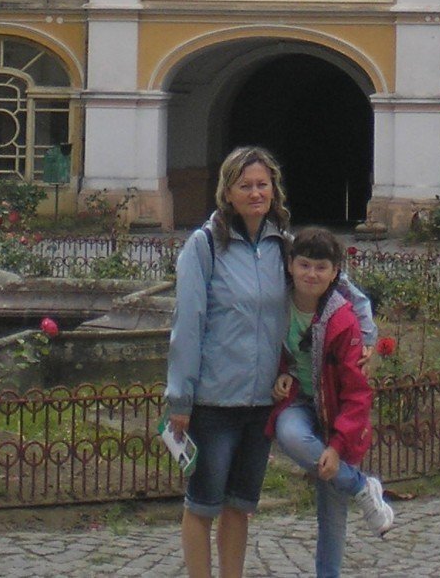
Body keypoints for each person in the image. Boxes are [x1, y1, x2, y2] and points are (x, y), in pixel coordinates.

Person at [165, 147, 376, 578]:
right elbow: (189, 323)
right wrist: (180, 398)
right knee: (203, 503)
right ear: (228, 190)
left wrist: (368, 336)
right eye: (246, 185)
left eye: (263, 184)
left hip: (264, 399)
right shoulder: (205, 246)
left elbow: (340, 283)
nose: (255, 192)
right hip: (214, 398)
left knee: (240, 505)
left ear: (273, 189)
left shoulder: (283, 242)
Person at [270, 226, 395, 577]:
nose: (311, 274)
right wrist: (281, 374)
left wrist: (338, 447)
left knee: (331, 515)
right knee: (290, 434)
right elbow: (271, 347)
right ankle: (360, 485)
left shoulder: (341, 320)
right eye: (305, 265)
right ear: (291, 265)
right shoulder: (279, 304)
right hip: (299, 402)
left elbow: (356, 394)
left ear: (335, 272)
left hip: (336, 414)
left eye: (320, 267)